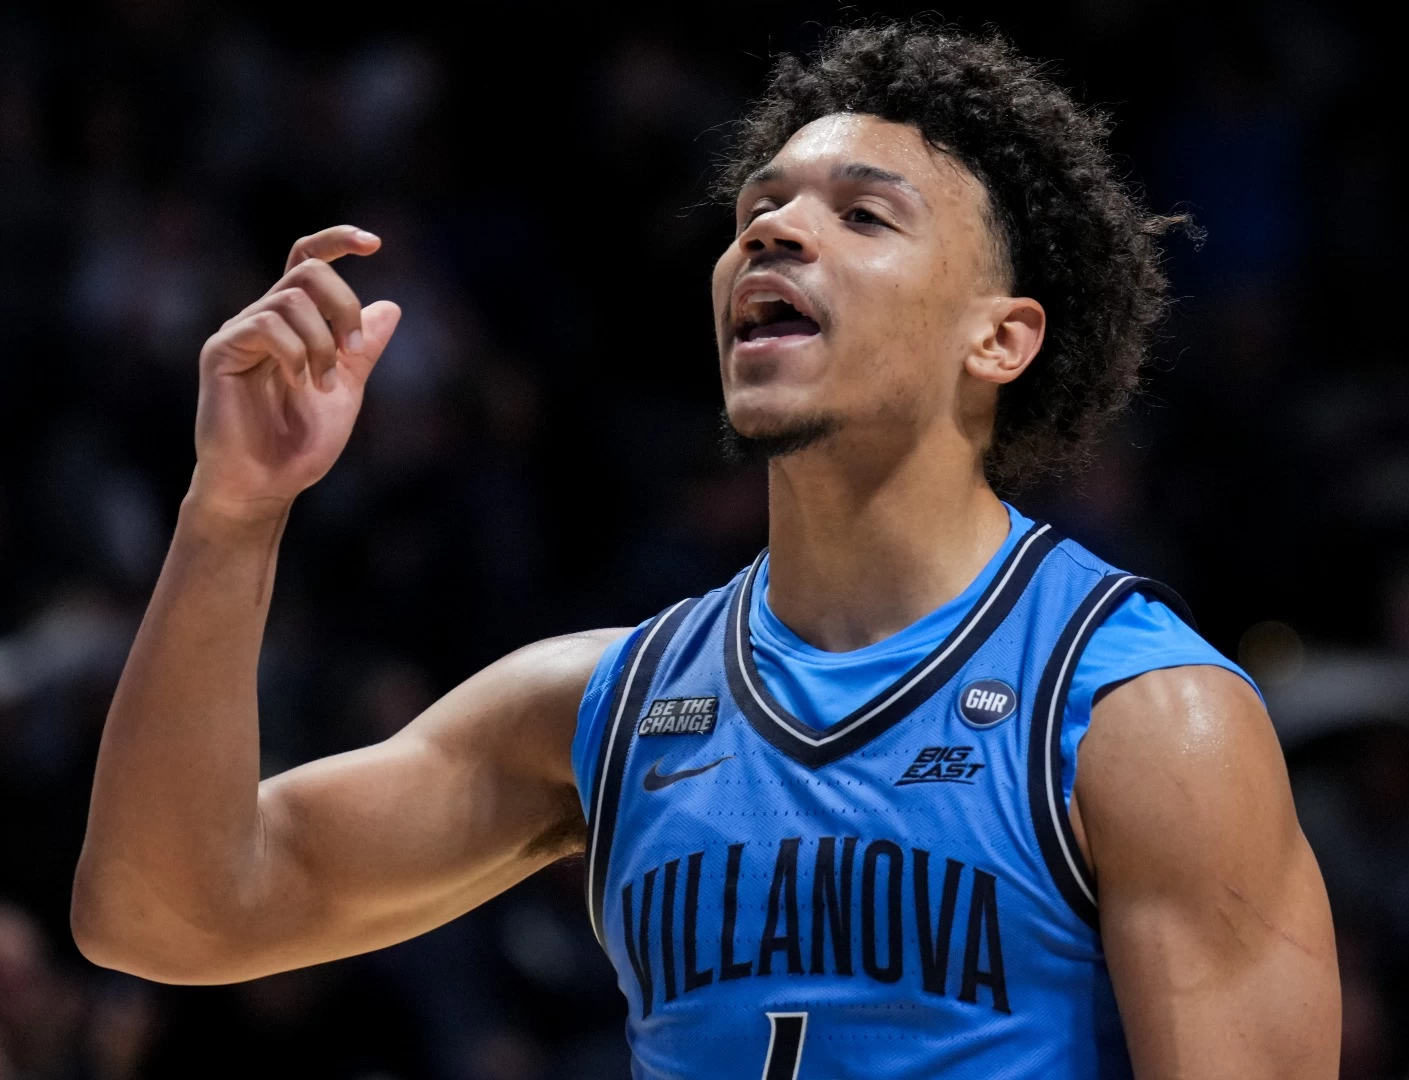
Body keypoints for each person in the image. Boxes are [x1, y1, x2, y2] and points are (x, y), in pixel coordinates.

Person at [71, 23, 1339, 1079]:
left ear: (998, 338)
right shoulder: (604, 708)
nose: (773, 233)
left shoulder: (1143, 720)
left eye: (864, 215)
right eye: (759, 209)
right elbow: (163, 912)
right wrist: (233, 514)